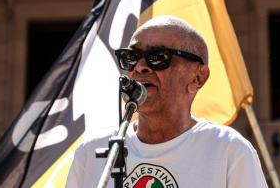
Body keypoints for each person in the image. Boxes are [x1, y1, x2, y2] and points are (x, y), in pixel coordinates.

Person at [66, 16, 268, 188]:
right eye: (131, 57)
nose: (140, 67)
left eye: (158, 57)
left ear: (197, 77)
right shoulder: (90, 153)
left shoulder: (228, 150)